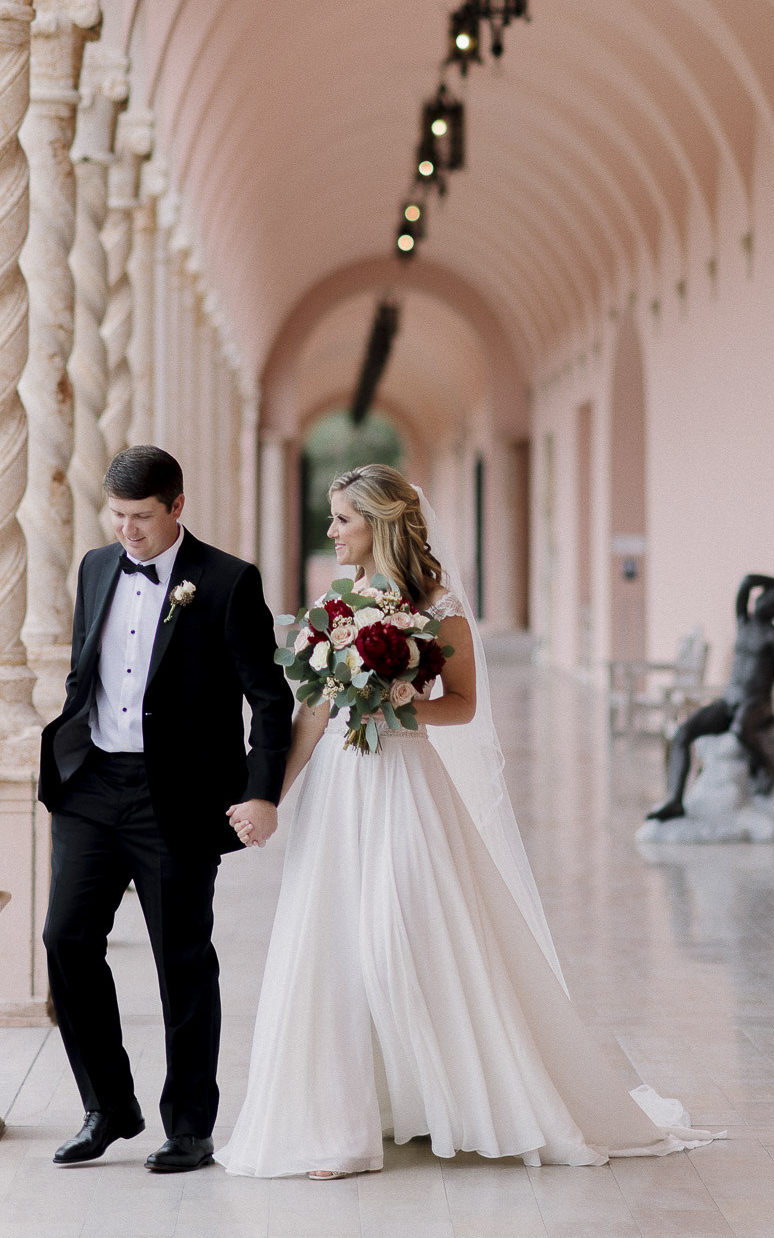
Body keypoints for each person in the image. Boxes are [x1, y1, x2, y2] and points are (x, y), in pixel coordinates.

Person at [217, 464, 718, 1179]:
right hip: (339, 791)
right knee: (330, 947)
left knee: (399, 940)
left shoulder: (439, 605)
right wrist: (270, 796)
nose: (329, 532)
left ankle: (455, 1100)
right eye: (331, 519)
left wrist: (392, 698)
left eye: (341, 520)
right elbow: (314, 712)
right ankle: (339, 1126)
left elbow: (462, 705)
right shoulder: (334, 600)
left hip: (405, 782)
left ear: (381, 524)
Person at [38, 445, 293, 1174]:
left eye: (141, 518)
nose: (126, 531)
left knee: (181, 962)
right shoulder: (94, 567)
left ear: (176, 507)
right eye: (116, 516)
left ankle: (188, 1125)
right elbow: (86, 665)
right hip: (90, 786)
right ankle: (108, 1105)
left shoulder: (226, 581)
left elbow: (269, 699)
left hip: (174, 800)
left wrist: (259, 790)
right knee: (65, 940)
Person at [647, 572, 774, 823]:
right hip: (729, 701)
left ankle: (762, 765)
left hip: (757, 705)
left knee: (742, 729)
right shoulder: (743, 622)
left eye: (772, 602)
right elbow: (747, 580)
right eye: (764, 597)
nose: (763, 603)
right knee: (683, 733)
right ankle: (675, 801)